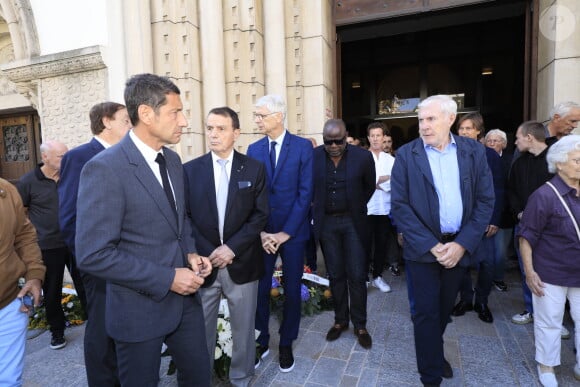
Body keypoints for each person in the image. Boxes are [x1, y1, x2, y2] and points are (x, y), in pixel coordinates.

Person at [76, 73, 212, 386]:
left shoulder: (174, 162)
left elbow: (180, 221)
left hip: (186, 305)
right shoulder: (105, 168)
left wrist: (190, 253)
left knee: (199, 378)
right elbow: (93, 254)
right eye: (175, 112)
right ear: (146, 114)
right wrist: (168, 277)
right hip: (137, 310)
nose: (184, 120)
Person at [391, 95, 494, 386]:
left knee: (443, 310)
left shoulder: (474, 152)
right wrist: (431, 245)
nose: (423, 126)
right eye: (421, 120)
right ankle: (430, 375)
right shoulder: (406, 155)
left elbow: (485, 201)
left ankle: (433, 353)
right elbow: (399, 205)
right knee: (424, 313)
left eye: (431, 119)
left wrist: (461, 244)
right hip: (424, 251)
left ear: (451, 118)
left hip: (459, 249)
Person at [184, 107, 268, 386]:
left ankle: (241, 376)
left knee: (243, 328)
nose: (213, 134)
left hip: (241, 262)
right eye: (209, 128)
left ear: (236, 133)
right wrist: (204, 252)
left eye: (221, 128)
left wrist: (231, 248)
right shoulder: (190, 170)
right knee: (200, 330)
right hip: (204, 264)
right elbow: (185, 217)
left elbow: (260, 215)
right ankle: (202, 379)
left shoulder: (254, 168)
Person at [58, 101, 131, 386]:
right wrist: (90, 259)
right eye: (125, 120)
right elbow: (69, 217)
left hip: (126, 263)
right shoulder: (79, 157)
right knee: (101, 330)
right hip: (99, 265)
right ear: (107, 121)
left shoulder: (124, 156)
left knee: (121, 326)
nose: (130, 125)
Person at [248, 94, 313, 373]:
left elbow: (305, 192)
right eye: (256, 115)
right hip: (262, 234)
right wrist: (262, 231)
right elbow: (251, 193)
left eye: (261, 115)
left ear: (278, 116)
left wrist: (286, 233)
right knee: (260, 289)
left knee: (292, 289)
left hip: (293, 234)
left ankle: (286, 342)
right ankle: (261, 340)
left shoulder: (301, 147)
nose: (257, 120)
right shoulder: (253, 149)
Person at [518, 135, 580, 386]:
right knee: (550, 322)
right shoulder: (544, 195)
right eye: (577, 160)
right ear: (560, 163)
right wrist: (530, 271)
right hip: (550, 272)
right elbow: (526, 237)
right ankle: (547, 367)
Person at [312, 118, 376, 349]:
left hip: (353, 222)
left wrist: (355, 206)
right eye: (328, 142)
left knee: (357, 276)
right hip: (327, 224)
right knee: (336, 274)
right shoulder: (314, 157)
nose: (333, 146)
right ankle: (340, 321)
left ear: (346, 135)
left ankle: (360, 324)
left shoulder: (363, 157)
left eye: (338, 141)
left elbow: (369, 187)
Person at [17, 140, 84, 350]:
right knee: (52, 291)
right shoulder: (28, 181)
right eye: (60, 156)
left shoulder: (72, 176)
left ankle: (97, 326)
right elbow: (22, 213)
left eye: (66, 154)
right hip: (48, 245)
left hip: (75, 241)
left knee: (86, 285)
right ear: (45, 157)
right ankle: (57, 332)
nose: (66, 159)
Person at [452, 112, 504, 323]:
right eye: (461, 128)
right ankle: (466, 299)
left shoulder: (489, 155)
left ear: (478, 131)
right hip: (461, 220)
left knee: (488, 264)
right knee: (461, 263)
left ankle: (482, 301)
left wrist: (494, 219)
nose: (464, 132)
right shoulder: (451, 154)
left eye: (469, 128)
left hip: (484, 220)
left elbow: (498, 189)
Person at [0, 177, 45, 385]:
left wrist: (34, 274)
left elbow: (24, 236)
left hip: (9, 306)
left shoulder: (5, 190)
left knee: (9, 381)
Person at [508, 121, 553, 326]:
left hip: (551, 227)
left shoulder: (556, 161)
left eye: (518, 137)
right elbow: (512, 191)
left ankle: (553, 317)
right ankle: (530, 309)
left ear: (529, 137)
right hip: (524, 224)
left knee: (549, 269)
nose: (515, 141)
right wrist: (518, 212)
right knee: (527, 268)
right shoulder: (519, 163)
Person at [366, 122, 395, 292]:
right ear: (369, 138)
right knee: (363, 245)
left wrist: (379, 183)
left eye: (379, 135)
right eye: (373, 136)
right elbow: (359, 183)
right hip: (366, 208)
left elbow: (395, 181)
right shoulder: (361, 157)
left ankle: (377, 276)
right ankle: (362, 278)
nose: (376, 139)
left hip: (384, 209)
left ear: (384, 137)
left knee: (381, 245)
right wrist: (380, 180)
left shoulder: (390, 160)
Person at [485, 129, 514, 292]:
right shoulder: (484, 159)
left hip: (505, 214)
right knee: (488, 253)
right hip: (487, 213)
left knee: (501, 252)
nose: (492, 143)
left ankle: (498, 277)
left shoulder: (511, 160)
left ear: (504, 143)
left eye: (496, 141)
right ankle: (486, 279)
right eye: (489, 140)